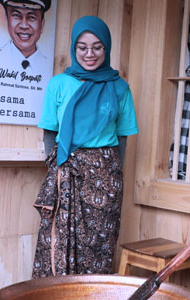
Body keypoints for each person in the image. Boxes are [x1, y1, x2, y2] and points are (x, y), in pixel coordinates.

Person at [32, 16, 138, 277]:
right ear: (74, 48)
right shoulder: (58, 84)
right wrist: (58, 169)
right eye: (82, 47)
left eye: (97, 47)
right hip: (67, 170)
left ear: (107, 48)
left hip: (106, 176)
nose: (89, 54)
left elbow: (122, 138)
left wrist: (111, 175)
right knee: (57, 243)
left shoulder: (120, 88)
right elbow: (50, 134)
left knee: (100, 246)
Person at [0, 0, 51, 75]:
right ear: (7, 19)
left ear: (42, 24)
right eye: (16, 15)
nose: (24, 25)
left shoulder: (49, 67)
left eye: (31, 17)